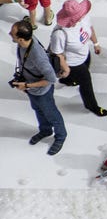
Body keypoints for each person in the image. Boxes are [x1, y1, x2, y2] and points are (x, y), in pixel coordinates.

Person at [10, 20, 67, 155]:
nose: (10, 35)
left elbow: (51, 78)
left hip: (42, 92)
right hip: (32, 89)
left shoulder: (37, 56)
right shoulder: (24, 44)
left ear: (21, 38)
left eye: (12, 34)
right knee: (37, 109)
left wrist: (27, 85)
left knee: (51, 114)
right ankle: (45, 130)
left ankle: (61, 136)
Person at [48, 0, 107, 117]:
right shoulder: (60, 34)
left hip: (85, 55)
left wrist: (96, 43)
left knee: (81, 73)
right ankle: (92, 106)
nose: (82, 16)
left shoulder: (84, 18)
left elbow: (90, 28)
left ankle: (68, 80)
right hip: (72, 63)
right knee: (86, 82)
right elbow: (58, 54)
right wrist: (66, 68)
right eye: (79, 16)